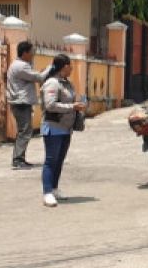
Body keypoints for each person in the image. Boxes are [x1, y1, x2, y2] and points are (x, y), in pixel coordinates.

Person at [40, 53, 87, 207]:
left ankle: (54, 188)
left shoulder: (67, 83)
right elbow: (50, 105)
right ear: (64, 66)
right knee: (51, 161)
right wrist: (71, 107)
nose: (72, 68)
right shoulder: (52, 83)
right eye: (70, 65)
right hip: (54, 127)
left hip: (66, 128)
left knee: (59, 161)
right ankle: (47, 192)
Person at [6, 40, 46, 170]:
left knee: (25, 130)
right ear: (25, 53)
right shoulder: (21, 66)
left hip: (21, 102)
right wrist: (51, 68)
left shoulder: (21, 64)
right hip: (21, 102)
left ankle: (20, 158)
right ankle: (18, 159)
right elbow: (38, 77)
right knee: (25, 130)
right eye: (31, 52)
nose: (33, 54)